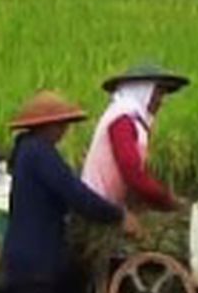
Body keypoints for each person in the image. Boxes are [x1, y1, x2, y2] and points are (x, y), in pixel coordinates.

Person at [0, 90, 136, 293]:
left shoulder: (25, 153)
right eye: (61, 125)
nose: (64, 131)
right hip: (39, 261)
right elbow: (75, 195)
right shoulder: (40, 154)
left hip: (20, 258)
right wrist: (117, 215)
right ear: (47, 126)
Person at [81, 60, 191, 212]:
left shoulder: (133, 121)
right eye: (158, 93)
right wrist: (167, 200)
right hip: (98, 206)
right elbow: (131, 172)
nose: (161, 101)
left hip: (110, 206)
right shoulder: (121, 120)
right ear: (143, 91)